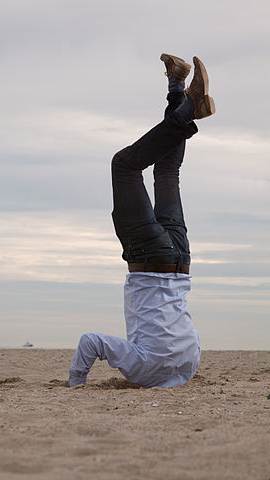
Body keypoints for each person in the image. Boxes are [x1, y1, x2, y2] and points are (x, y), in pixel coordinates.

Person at [69, 54, 215, 388]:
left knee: (167, 172)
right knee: (124, 166)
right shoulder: (140, 367)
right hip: (149, 259)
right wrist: (75, 383)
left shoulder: (188, 365)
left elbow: (192, 336)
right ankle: (191, 107)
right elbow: (90, 342)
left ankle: (177, 84)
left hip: (181, 263)